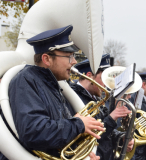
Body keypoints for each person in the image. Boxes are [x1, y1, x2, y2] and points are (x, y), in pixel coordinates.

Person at [8, 25, 104, 160]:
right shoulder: (26, 80)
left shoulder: (54, 85)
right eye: (69, 56)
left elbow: (58, 139)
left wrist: (84, 155)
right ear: (47, 59)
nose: (75, 61)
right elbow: (34, 132)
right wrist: (78, 124)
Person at [70, 54, 134, 160]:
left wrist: (121, 138)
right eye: (102, 78)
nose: (106, 84)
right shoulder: (74, 97)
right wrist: (111, 118)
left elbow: (106, 131)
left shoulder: (95, 97)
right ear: (90, 76)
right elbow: (87, 136)